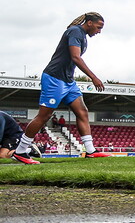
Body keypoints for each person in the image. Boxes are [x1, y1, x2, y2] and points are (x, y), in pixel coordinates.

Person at [11, 12, 110, 164]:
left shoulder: (82, 36)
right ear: (89, 23)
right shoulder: (75, 31)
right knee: (44, 116)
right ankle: (20, 151)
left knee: (82, 111)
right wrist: (94, 77)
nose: (99, 31)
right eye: (99, 27)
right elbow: (75, 57)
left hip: (68, 81)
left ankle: (90, 151)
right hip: (54, 78)